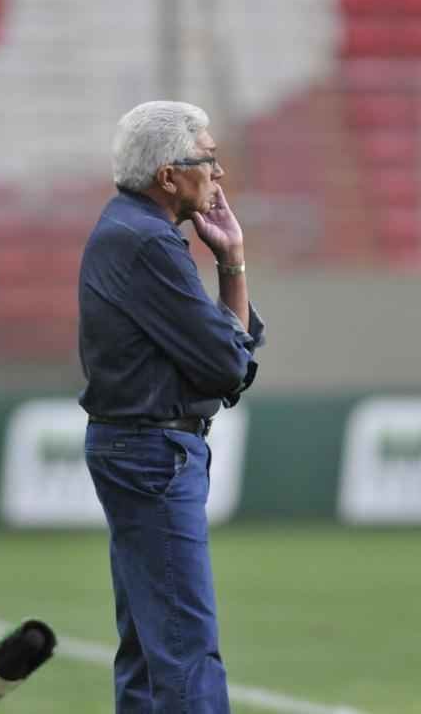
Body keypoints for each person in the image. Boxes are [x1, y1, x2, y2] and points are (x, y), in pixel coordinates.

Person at [78, 100, 266, 713]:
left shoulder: (128, 228)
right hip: (153, 454)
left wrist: (229, 262)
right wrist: (233, 265)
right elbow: (229, 364)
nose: (218, 172)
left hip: (137, 448)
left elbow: (226, 356)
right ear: (168, 175)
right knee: (185, 646)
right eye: (207, 158)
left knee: (147, 646)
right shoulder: (149, 243)